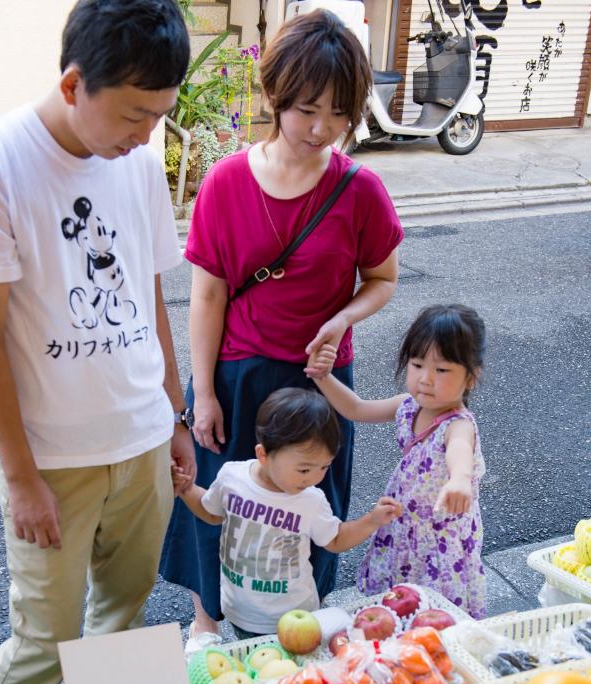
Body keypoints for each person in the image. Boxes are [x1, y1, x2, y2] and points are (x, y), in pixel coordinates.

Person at [0, 0, 195, 684]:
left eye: (160, 115)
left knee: (122, 624)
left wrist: (174, 418)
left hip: (142, 439)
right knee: (43, 645)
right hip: (51, 459)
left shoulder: (138, 165)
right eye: (132, 114)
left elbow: (147, 301)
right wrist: (21, 478)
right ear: (72, 85)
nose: (148, 135)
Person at [160, 9, 404, 644]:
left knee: (307, 503)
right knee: (218, 504)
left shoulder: (361, 191)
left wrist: (343, 318)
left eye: (340, 113)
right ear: (275, 95)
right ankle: (207, 623)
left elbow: (381, 279)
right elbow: (207, 296)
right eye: (307, 109)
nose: (322, 128)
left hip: (320, 384)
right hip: (238, 374)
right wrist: (203, 394)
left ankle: (295, 626)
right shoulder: (225, 183)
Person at [173, 388, 401, 637]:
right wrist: (186, 489)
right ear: (263, 455)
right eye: (304, 470)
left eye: (324, 466)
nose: (314, 477)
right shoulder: (232, 477)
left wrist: (372, 520)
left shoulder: (311, 499)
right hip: (240, 611)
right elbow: (211, 512)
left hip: (296, 615)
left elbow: (335, 539)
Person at [306, 304, 487, 618]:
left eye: (442, 370)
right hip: (405, 525)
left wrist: (459, 479)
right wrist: (323, 377)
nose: (426, 379)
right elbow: (356, 408)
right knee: (398, 606)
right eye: (417, 365)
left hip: (439, 541)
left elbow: (460, 452)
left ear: (471, 378)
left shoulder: (458, 424)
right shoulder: (408, 405)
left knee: (433, 613)